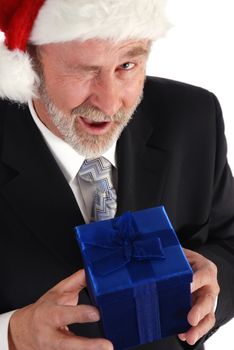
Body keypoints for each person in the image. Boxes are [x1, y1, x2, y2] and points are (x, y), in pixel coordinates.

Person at [0, 1, 233, 350]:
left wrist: (210, 287)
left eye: (127, 65)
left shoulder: (192, 116)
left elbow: (229, 240)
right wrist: (12, 334)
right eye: (82, 70)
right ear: (30, 63)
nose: (110, 104)